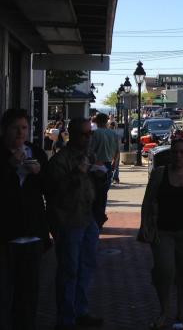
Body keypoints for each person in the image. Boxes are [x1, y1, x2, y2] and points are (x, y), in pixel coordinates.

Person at [139, 139, 183, 330]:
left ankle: (181, 311)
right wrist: (144, 225)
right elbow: (148, 200)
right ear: (170, 155)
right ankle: (164, 311)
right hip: (163, 231)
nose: (179, 156)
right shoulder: (160, 174)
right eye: (175, 152)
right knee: (164, 271)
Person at [45, 117, 103, 330]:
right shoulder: (60, 160)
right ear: (73, 134)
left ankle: (81, 311)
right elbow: (53, 190)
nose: (88, 138)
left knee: (86, 267)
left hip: (87, 218)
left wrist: (100, 176)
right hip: (68, 220)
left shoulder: (89, 155)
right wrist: (76, 173)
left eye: (90, 134)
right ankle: (66, 318)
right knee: (69, 270)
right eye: (84, 134)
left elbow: (91, 187)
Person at [0, 109, 50, 330]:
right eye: (15, 128)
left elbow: (50, 189)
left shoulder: (36, 152)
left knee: (28, 295)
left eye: (24, 128)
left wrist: (39, 173)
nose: (20, 133)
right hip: (5, 235)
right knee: (4, 295)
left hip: (32, 234)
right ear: (5, 130)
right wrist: (10, 165)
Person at [88, 113, 119, 229]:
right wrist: (114, 164)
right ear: (106, 121)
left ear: (96, 121)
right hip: (108, 165)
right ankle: (100, 216)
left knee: (93, 193)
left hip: (95, 165)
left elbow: (90, 150)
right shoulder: (113, 134)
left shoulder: (94, 134)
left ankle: (95, 218)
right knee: (103, 193)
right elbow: (117, 151)